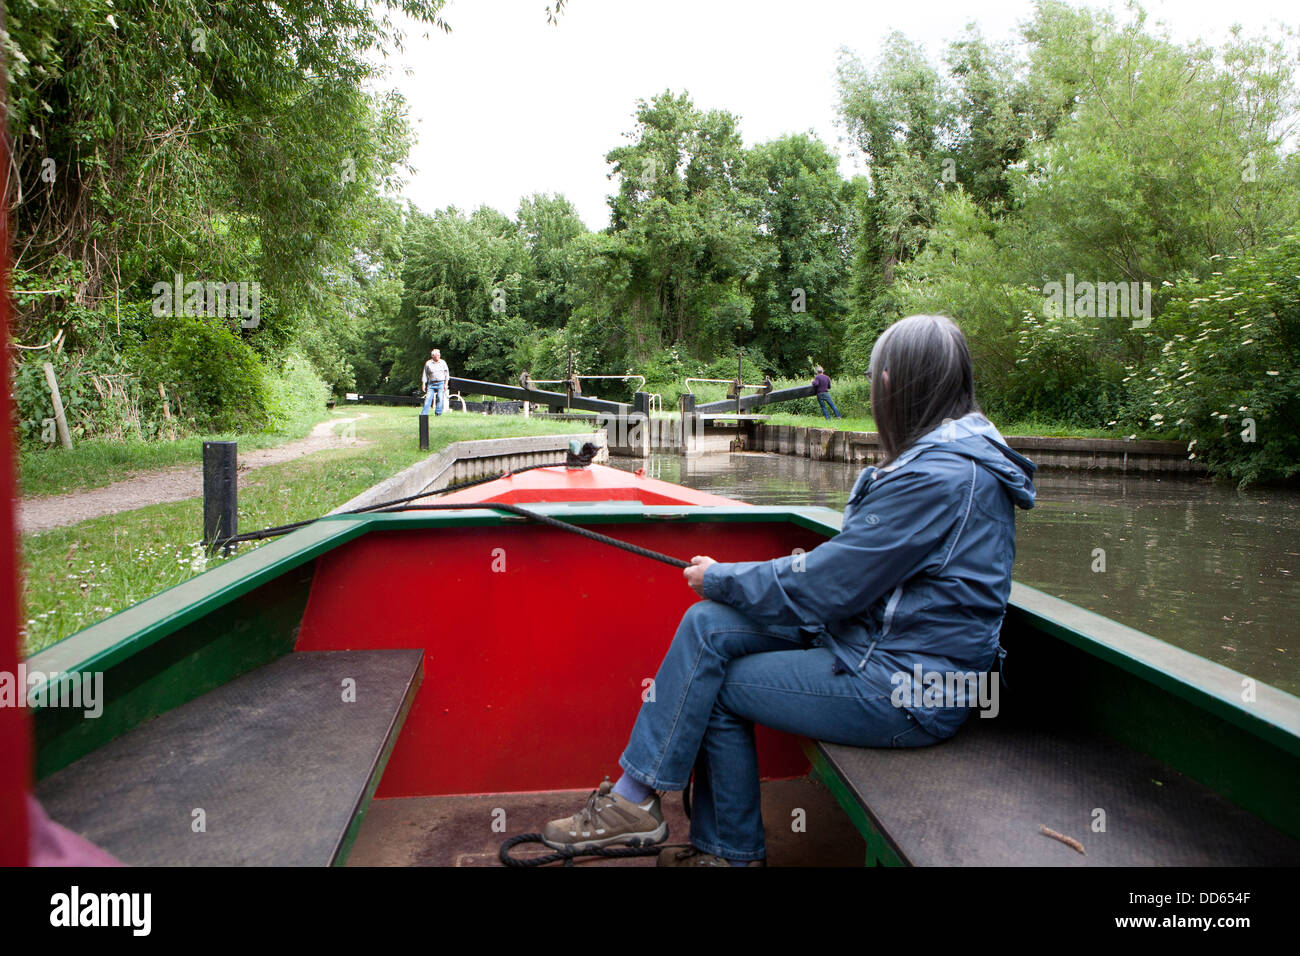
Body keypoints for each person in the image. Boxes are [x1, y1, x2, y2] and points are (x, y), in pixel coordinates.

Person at [539, 314, 1037, 866]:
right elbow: (846, 583)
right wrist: (726, 587)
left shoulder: (940, 479)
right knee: (708, 625)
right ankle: (637, 802)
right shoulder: (950, 464)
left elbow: (829, 584)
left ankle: (728, 852)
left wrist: (722, 576)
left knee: (719, 687)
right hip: (877, 646)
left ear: (892, 386)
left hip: (909, 689)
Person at [421, 348, 449, 416]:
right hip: (431, 383)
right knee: (428, 398)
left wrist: (446, 384)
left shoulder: (443, 363)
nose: (439, 356)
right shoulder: (428, 363)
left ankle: (438, 413)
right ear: (433, 356)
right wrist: (423, 384)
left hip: (441, 383)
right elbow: (425, 374)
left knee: (440, 398)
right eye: (437, 355)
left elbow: (446, 374)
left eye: (439, 355)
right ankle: (424, 414)